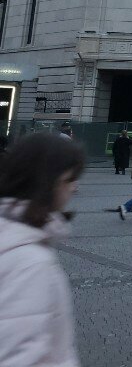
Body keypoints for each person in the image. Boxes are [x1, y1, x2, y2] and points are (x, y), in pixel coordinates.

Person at [0, 133, 85, 367]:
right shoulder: (30, 261)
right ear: (46, 181)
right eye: (69, 179)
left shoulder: (10, 232)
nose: (75, 187)